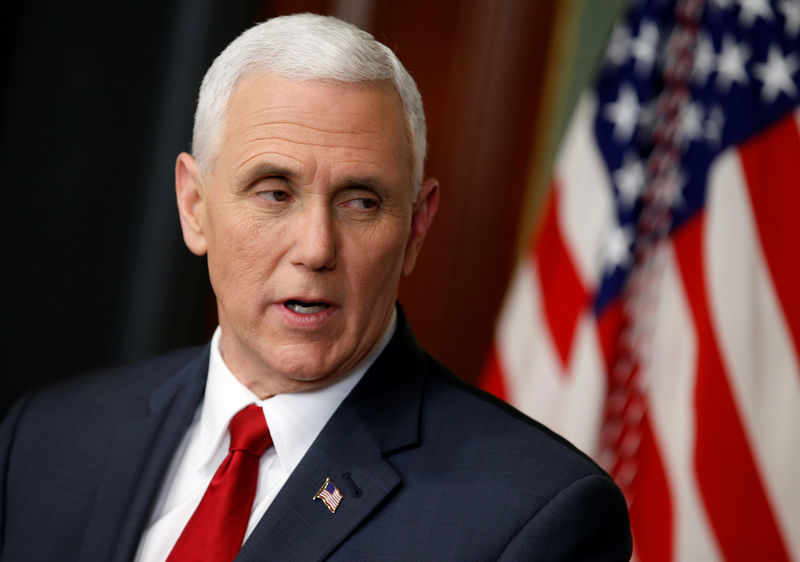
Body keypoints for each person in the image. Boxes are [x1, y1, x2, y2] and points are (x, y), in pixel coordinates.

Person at [0, 13, 631, 561]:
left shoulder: (531, 518)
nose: (316, 249)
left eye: (360, 202)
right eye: (275, 192)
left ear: (416, 228)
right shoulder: (44, 440)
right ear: (194, 206)